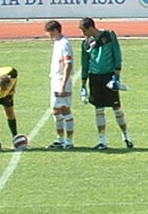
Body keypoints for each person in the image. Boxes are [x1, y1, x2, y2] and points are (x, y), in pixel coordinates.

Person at [79, 17, 133, 150]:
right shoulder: (85, 43)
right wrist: (83, 84)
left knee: (117, 108)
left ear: (91, 27)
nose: (83, 34)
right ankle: (102, 141)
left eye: (84, 30)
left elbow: (117, 53)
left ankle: (126, 136)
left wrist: (117, 75)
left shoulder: (108, 35)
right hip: (95, 78)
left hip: (109, 76)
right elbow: (84, 63)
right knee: (98, 109)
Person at [44, 20, 75, 148]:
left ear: (55, 30)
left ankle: (69, 141)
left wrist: (63, 84)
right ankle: (60, 139)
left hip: (62, 80)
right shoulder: (57, 42)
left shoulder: (65, 44)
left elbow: (68, 65)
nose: (48, 35)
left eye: (49, 32)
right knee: (55, 110)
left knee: (65, 109)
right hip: (55, 80)